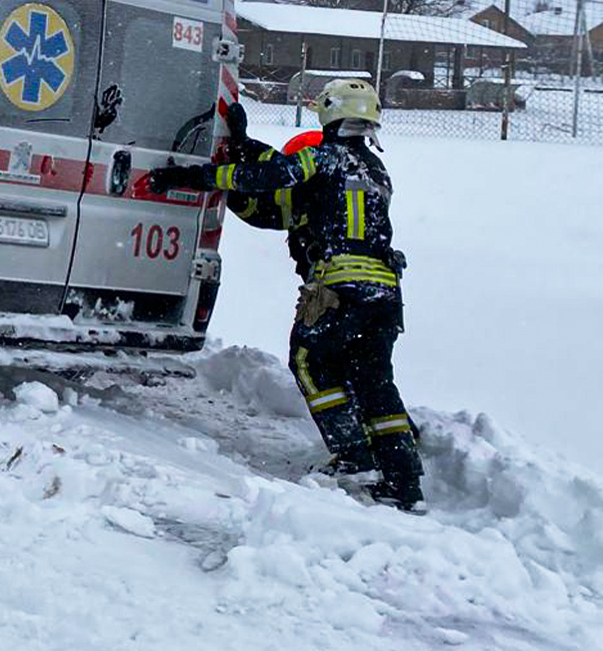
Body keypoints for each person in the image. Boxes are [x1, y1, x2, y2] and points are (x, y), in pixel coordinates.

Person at [149, 80, 425, 512]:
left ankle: (353, 456)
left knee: (309, 360)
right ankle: (405, 482)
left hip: (340, 287)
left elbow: (272, 177)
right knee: (374, 379)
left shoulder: (324, 156)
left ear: (329, 113)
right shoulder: (375, 170)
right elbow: (286, 184)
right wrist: (244, 144)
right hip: (385, 293)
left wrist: (193, 177)